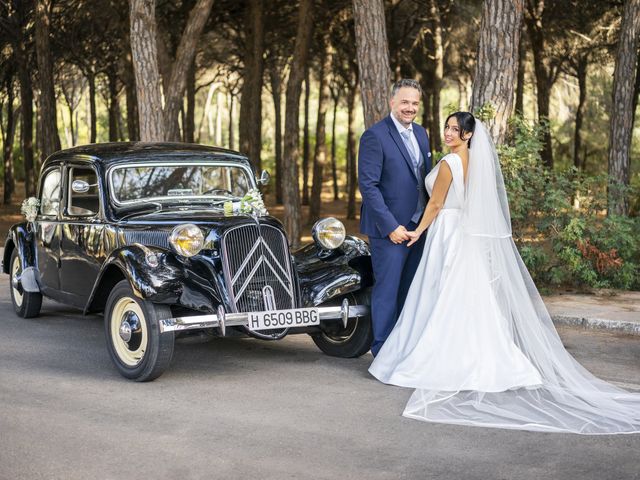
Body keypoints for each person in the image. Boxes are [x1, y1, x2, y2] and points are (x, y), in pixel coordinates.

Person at [369, 112, 640, 434]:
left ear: (469, 135)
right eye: (447, 127)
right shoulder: (471, 160)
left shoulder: (450, 163)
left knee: (441, 294)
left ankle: (444, 358)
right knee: (463, 296)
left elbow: (436, 205)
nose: (449, 132)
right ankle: (489, 357)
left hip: (446, 232)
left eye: (456, 129)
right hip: (462, 233)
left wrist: (417, 232)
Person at [358, 79, 431, 357]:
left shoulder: (422, 134)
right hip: (389, 229)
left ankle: (403, 349)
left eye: (414, 103)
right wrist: (391, 226)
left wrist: (424, 223)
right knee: (387, 291)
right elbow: (368, 186)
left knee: (410, 290)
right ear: (392, 103)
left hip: (417, 229)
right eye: (404, 102)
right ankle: (382, 353)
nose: (409, 108)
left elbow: (421, 180)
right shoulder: (375, 136)